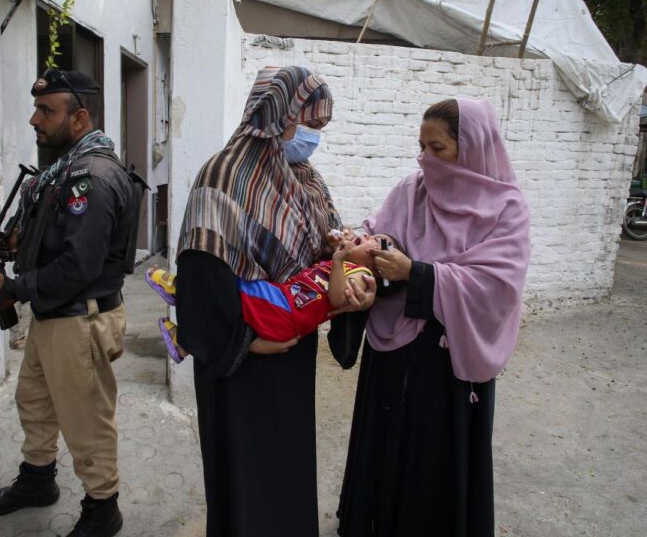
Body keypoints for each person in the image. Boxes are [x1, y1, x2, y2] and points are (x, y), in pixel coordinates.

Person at [175, 66, 376, 537]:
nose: (312, 138)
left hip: (290, 349)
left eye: (320, 129)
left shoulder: (305, 179)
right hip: (238, 359)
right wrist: (244, 342)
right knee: (244, 477)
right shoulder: (222, 175)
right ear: (277, 114)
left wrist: (355, 276)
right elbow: (201, 277)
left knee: (285, 466)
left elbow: (329, 247)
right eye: (309, 124)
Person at [332, 98, 531, 537]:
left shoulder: (506, 209)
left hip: (446, 365)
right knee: (385, 442)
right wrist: (369, 250)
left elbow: (497, 288)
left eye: (438, 148)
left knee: (432, 458)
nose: (426, 159)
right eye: (421, 147)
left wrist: (416, 273)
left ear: (473, 148)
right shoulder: (411, 190)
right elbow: (382, 231)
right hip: (392, 352)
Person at [0, 69, 143, 537]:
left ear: (80, 118)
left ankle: (102, 510)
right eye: (37, 109)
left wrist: (13, 290)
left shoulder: (93, 176)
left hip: (80, 320)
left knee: (86, 421)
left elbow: (80, 266)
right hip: (54, 316)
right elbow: (55, 236)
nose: (34, 119)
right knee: (36, 405)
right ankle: (37, 481)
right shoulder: (62, 171)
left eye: (47, 111)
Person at [146, 231, 390, 363]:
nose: (369, 236)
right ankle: (183, 343)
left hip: (285, 310)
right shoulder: (347, 263)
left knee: (231, 284)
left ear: (380, 267)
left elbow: (337, 299)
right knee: (230, 296)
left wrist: (338, 260)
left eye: (377, 243)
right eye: (371, 235)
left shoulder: (362, 275)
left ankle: (180, 289)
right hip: (283, 302)